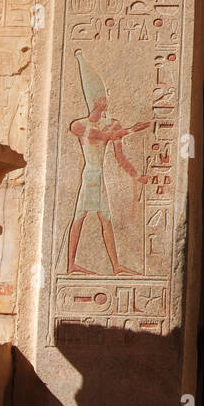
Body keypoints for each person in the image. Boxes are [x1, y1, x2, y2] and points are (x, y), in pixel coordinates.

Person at [66, 51, 150, 276]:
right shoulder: (79, 125)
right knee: (79, 217)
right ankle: (72, 263)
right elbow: (100, 137)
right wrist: (131, 129)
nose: (106, 99)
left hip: (98, 175)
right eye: (102, 96)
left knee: (105, 219)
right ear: (94, 101)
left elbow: (119, 157)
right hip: (89, 176)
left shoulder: (111, 124)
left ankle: (116, 265)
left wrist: (135, 175)